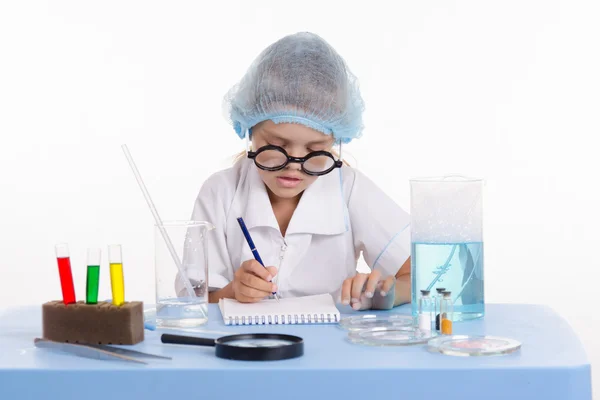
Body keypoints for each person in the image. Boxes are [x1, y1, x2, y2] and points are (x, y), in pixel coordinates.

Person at [186, 32, 411, 311]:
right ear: (249, 130)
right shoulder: (220, 192)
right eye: (276, 145)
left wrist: (386, 293)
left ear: (335, 141)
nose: (294, 164)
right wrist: (233, 291)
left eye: (316, 149)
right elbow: (190, 301)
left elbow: (425, 273)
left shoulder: (348, 188)